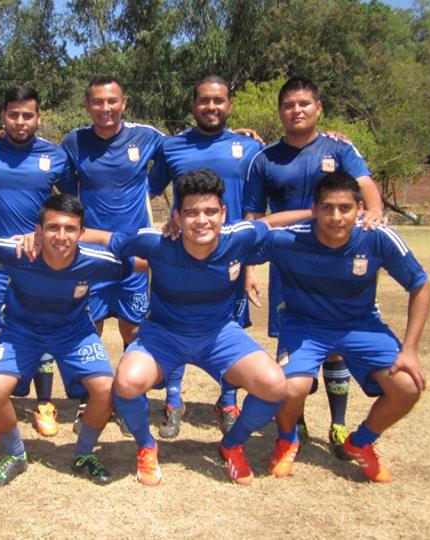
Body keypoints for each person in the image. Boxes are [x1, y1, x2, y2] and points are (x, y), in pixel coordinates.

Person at [81, 169, 306, 487]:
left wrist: (318, 210)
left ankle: (232, 444)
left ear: (223, 213)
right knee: (127, 382)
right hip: (163, 334)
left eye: (211, 211)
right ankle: (146, 446)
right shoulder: (155, 242)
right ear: (177, 216)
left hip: (219, 334)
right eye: (191, 212)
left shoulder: (238, 236)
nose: (202, 220)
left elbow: (270, 223)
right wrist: (46, 236)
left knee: (274, 386)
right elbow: (105, 238)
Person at [247, 172, 429, 483]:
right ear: (314, 209)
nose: (335, 217)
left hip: (361, 324)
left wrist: (410, 350)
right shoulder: (289, 239)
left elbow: (420, 285)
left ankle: (361, 442)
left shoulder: (377, 236)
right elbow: (249, 231)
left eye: (345, 208)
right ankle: (287, 439)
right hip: (304, 325)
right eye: (327, 208)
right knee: (291, 388)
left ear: (360, 208)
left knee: (408, 387)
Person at [243, 76, 384, 455]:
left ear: (318, 108)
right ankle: (296, 422)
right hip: (290, 260)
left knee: (337, 345)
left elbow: (366, 186)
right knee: (297, 342)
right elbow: (254, 215)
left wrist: (373, 216)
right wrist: (249, 268)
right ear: (280, 111)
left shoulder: (339, 147)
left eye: (304, 103)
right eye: (289, 105)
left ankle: (338, 425)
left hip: (340, 259)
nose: (296, 110)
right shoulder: (265, 157)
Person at [0, 194, 136, 486]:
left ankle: (84, 454)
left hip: (73, 331)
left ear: (81, 233)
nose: (61, 236)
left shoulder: (96, 260)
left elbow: (144, 260)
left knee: (104, 389)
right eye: (52, 228)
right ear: (38, 230)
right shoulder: (18, 252)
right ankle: (16, 455)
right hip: (21, 330)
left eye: (70, 229)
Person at [148, 74, 263, 438]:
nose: (211, 107)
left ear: (229, 105)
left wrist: (250, 264)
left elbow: (255, 206)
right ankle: (173, 400)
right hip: (181, 253)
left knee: (229, 326)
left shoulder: (249, 148)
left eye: (218, 101)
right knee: (177, 318)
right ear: (193, 105)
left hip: (230, 254)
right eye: (204, 101)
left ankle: (228, 401)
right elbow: (143, 189)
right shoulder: (171, 147)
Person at [61, 76, 164, 434]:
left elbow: (184, 150)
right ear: (87, 106)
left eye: (112, 101)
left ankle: (128, 395)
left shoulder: (147, 137)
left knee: (133, 327)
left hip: (133, 252)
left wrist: (241, 133)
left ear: (125, 103)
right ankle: (92, 399)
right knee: (90, 326)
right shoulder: (74, 142)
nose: (105, 108)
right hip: (89, 251)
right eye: (98, 102)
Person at [0, 86, 75, 438]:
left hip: (38, 261)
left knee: (42, 327)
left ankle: (44, 404)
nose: (20, 121)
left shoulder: (56, 156)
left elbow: (71, 203)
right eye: (13, 114)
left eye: (27, 115)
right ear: (2, 117)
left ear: (38, 117)